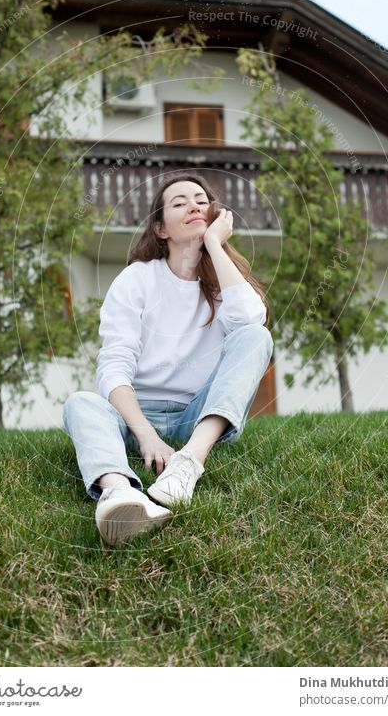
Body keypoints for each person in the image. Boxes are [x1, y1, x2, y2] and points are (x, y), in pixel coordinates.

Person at [63, 172, 274, 546]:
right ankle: (119, 494)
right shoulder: (137, 280)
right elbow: (114, 367)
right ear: (161, 229)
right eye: (179, 203)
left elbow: (252, 323)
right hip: (134, 418)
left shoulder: (222, 284)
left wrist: (213, 244)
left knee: (256, 337)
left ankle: (187, 464)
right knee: (80, 403)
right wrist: (145, 434)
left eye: (200, 200)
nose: (194, 205)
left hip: (194, 416)